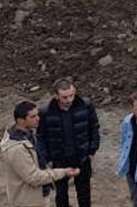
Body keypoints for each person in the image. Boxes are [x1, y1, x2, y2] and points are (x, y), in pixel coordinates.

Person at [1, 101, 79, 207]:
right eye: (33, 116)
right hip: (27, 202)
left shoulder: (28, 135)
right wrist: (63, 172)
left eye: (37, 115)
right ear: (20, 120)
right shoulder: (17, 149)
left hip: (37, 196)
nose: (38, 118)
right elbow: (33, 177)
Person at [39, 79, 100, 207]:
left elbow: (94, 127)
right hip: (59, 161)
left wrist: (92, 150)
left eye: (71, 95)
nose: (69, 100)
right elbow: (40, 137)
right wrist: (47, 159)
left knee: (84, 195)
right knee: (61, 196)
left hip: (81, 158)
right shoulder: (46, 112)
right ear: (56, 96)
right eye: (64, 97)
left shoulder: (85, 105)